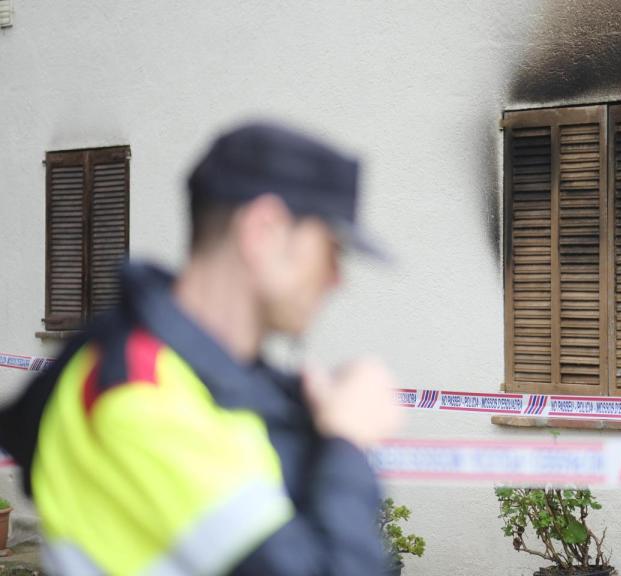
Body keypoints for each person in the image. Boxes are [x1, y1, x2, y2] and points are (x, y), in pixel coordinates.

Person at [0, 121, 403, 575]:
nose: (336, 278)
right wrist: (345, 442)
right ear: (263, 232)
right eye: (331, 248)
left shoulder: (199, 375)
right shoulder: (142, 392)